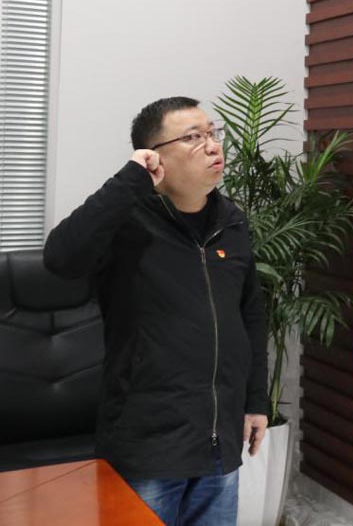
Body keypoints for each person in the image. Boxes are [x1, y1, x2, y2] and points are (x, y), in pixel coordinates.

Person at [43, 96, 268, 525]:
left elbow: (250, 315)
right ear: (155, 155)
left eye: (212, 133)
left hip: (218, 445)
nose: (212, 145)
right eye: (193, 137)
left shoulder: (231, 221)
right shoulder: (127, 221)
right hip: (148, 448)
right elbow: (60, 259)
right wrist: (131, 179)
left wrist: (256, 401)